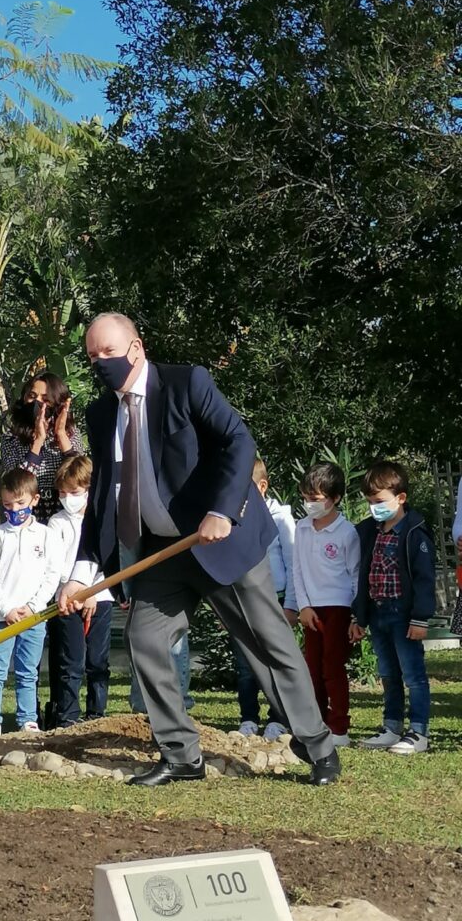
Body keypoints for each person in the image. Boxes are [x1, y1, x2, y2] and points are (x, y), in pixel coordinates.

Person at [59, 313, 340, 787]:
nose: (99, 363)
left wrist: (223, 511)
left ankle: (317, 746)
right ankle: (182, 755)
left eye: (107, 352)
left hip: (224, 541)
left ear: (136, 347)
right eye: (92, 356)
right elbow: (104, 495)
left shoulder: (187, 384)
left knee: (267, 644)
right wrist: (82, 570)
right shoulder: (103, 413)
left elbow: (238, 440)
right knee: (145, 640)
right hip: (164, 554)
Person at [351, 461, 435, 754]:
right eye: (370, 502)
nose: (374, 507)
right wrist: (359, 616)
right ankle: (391, 727)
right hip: (378, 613)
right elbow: (362, 576)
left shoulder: (414, 533)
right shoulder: (369, 532)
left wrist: (420, 618)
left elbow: (425, 579)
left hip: (405, 614)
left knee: (413, 675)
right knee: (388, 673)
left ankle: (419, 733)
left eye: (380, 501)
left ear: (401, 498)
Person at [0, 468, 62, 735]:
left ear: (35, 500)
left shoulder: (46, 535)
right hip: (1, 618)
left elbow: (52, 574)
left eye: (21, 503)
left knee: (28, 672)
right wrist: (6, 608)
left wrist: (34, 607)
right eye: (8, 505)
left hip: (33, 618)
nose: (15, 510)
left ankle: (28, 719)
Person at [293, 462, 359, 748]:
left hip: (339, 607)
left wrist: (356, 616)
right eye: (306, 498)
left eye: (316, 499)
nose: (310, 504)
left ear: (335, 499)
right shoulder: (302, 528)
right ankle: (317, 725)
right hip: (312, 609)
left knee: (332, 667)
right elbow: (297, 570)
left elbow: (356, 575)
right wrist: (304, 606)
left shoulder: (347, 533)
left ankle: (339, 728)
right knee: (312, 669)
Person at [232, 457, 298, 740]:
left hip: (276, 599)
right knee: (245, 666)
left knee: (275, 662)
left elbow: (293, 562)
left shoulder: (281, 519)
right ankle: (248, 717)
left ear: (262, 486)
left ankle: (278, 717)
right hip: (242, 601)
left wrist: (292, 605)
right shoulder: (233, 518)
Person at [45, 455, 113, 729]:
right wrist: (75, 592)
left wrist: (94, 591)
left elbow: (110, 559)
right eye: (62, 493)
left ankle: (97, 715)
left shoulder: (105, 518)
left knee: (98, 661)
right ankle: (67, 718)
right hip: (67, 601)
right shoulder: (57, 523)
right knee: (70, 663)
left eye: (74, 492)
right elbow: (57, 564)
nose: (67, 498)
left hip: (101, 598)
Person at [0, 371, 83, 522]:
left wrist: (61, 434)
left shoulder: (71, 434)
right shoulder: (11, 438)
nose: (37, 403)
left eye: (45, 399)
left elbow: (80, 475)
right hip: (28, 510)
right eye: (32, 396)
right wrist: (38, 442)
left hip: (65, 509)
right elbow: (17, 484)